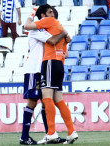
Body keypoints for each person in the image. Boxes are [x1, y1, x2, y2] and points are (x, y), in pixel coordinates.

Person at [25, 4, 78, 145]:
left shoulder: (49, 22)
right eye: (50, 11)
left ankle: (51, 133)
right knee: (58, 99)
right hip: (60, 65)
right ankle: (71, 131)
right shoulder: (60, 27)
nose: (51, 14)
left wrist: (32, 12)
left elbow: (27, 26)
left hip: (49, 63)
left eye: (52, 12)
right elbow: (65, 53)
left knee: (46, 98)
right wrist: (65, 34)